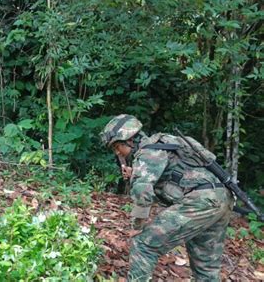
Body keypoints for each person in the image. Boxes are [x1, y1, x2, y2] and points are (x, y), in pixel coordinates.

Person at [100, 114, 234, 281]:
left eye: (117, 147)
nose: (118, 153)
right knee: (206, 267)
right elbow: (178, 178)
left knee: (143, 244)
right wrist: (136, 173)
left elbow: (142, 192)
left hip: (200, 202)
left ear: (128, 141)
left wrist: (137, 227)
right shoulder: (162, 146)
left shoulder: (147, 153)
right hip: (222, 197)